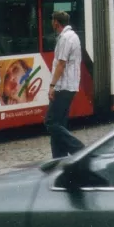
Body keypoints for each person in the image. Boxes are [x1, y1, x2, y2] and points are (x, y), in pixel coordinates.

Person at [45, 11, 85, 159]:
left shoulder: (65, 38)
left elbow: (61, 64)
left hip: (64, 86)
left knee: (50, 122)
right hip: (70, 85)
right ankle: (59, 158)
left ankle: (79, 149)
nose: (52, 23)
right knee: (59, 123)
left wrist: (52, 85)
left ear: (56, 22)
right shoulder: (72, 36)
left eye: (52, 20)